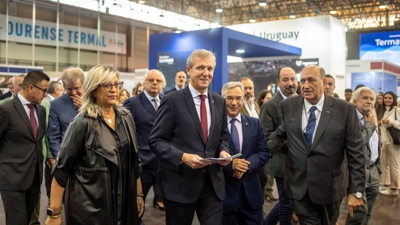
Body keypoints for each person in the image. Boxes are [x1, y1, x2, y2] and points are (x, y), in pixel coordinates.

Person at [46, 65, 144, 225]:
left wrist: (139, 194)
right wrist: (54, 214)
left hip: (124, 202)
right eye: (107, 85)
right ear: (93, 89)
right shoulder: (81, 123)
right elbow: (61, 171)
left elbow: (134, 161)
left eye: (117, 84)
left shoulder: (126, 118)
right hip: (90, 207)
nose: (114, 90)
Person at [268, 65, 365, 225]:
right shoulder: (288, 106)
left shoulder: (344, 110)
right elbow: (278, 136)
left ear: (324, 82)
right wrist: (253, 157)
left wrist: (356, 191)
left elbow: (356, 153)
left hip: (330, 188)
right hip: (298, 185)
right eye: (303, 81)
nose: (305, 86)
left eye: (311, 80)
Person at [148, 49, 231, 225]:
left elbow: (222, 137)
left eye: (210, 68)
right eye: (200, 67)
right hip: (180, 185)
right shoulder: (172, 100)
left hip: (213, 185)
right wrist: (183, 157)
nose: (206, 73)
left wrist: (224, 151)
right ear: (188, 70)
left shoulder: (219, 102)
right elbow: (156, 141)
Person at [0, 71, 50, 225]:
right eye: (43, 90)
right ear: (30, 88)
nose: (45, 94)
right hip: (12, 178)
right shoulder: (6, 109)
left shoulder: (41, 110)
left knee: (28, 219)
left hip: (35, 178)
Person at [221, 81, 270, 225]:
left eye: (238, 98)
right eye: (229, 98)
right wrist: (231, 165)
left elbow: (264, 152)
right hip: (225, 196)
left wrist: (243, 166)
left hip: (251, 196)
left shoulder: (255, 123)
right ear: (222, 99)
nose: (234, 102)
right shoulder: (215, 126)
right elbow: (209, 156)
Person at [124, 69, 166, 213]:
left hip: (165, 163)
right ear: (143, 83)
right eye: (151, 80)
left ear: (163, 84)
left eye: (158, 81)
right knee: (136, 208)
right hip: (144, 164)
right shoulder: (132, 103)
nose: (155, 83)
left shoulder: (167, 102)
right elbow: (127, 134)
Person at [261, 67, 298, 225]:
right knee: (288, 203)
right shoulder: (270, 105)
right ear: (278, 82)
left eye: (293, 79)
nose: (290, 83)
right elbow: (266, 136)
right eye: (285, 80)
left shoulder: (303, 101)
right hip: (282, 162)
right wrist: (291, 140)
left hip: (302, 162)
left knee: (290, 201)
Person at [47, 67, 85, 199]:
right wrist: (60, 160)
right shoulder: (56, 105)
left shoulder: (94, 100)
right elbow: (53, 135)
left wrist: (84, 109)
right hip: (68, 161)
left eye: (77, 88)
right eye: (69, 89)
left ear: (83, 84)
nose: (73, 92)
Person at [346, 87, 380, 225]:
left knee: (368, 212)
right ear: (355, 102)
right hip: (359, 172)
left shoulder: (371, 118)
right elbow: (357, 143)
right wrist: (369, 125)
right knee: (359, 212)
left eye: (372, 99)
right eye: (365, 98)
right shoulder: (351, 120)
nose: (369, 101)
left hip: (374, 172)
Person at [240, 77, 277, 201]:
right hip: (245, 151)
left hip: (259, 151)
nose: (248, 91)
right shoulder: (238, 106)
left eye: (250, 88)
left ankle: (258, 210)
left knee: (262, 179)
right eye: (245, 88)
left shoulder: (255, 105)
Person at [379, 91, 400, 196]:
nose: (387, 100)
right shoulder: (383, 110)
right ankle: (386, 184)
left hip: (394, 141)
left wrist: (390, 122)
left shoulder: (397, 110)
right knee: (384, 163)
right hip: (385, 141)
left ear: (394, 99)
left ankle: (394, 189)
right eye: (385, 98)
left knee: (394, 165)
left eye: (390, 98)